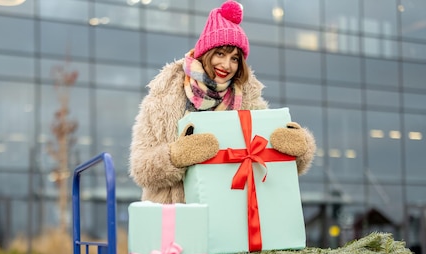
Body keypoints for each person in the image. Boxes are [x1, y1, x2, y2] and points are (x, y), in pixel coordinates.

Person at [129, 0, 316, 205]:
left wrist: (300, 148)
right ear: (206, 53)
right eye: (220, 54)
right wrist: (176, 155)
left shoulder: (249, 102)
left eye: (235, 58)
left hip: (230, 211)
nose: (227, 65)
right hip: (177, 216)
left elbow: (274, 160)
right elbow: (140, 169)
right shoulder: (161, 100)